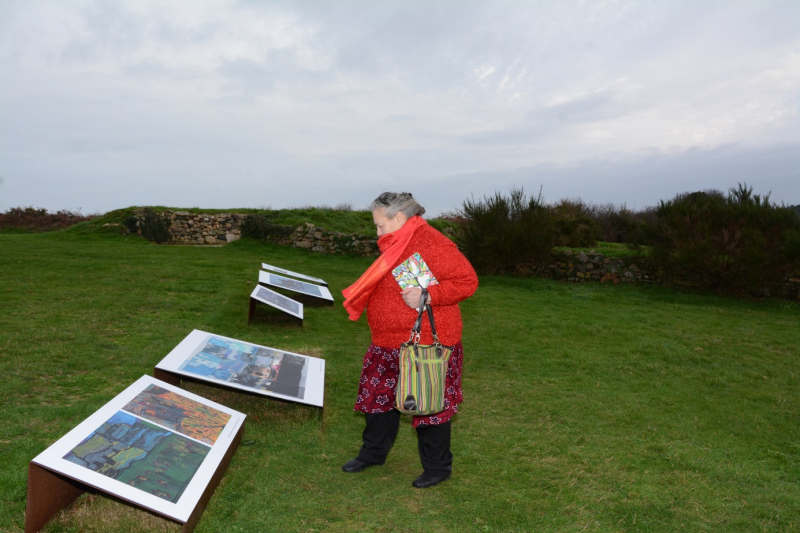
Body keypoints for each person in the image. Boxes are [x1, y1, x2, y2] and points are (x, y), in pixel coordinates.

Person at [341, 192, 478, 488]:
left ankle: (437, 469)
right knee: (379, 402)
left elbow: (468, 282)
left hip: (426, 344)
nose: (376, 233)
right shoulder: (398, 242)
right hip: (386, 342)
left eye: (380, 225)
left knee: (429, 405)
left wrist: (429, 295)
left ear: (399, 218)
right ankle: (373, 454)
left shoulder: (431, 243)